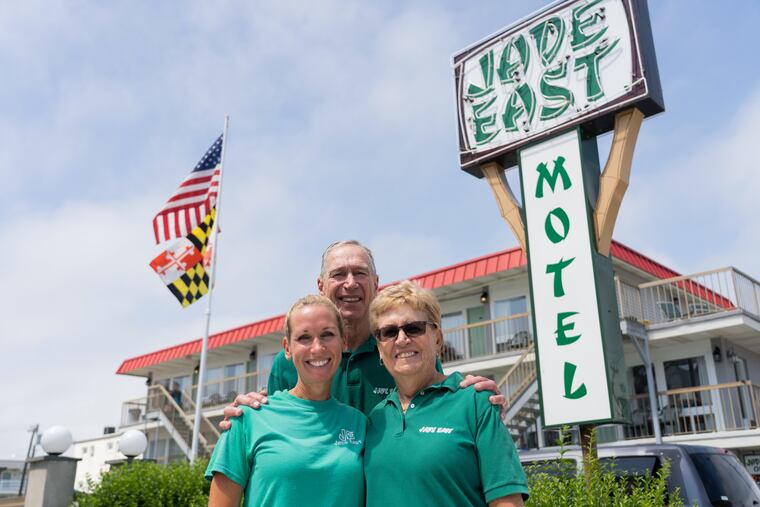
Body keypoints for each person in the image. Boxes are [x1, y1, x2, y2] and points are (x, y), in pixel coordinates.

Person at [221, 240, 504, 426]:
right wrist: (244, 419)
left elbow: (442, 410)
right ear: (321, 285)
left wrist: (478, 406)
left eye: (360, 273)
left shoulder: (403, 351)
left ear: (376, 283)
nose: (350, 283)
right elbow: (275, 429)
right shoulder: (290, 362)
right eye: (338, 274)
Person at [364, 280, 528, 507]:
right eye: (389, 332)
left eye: (414, 328)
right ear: (380, 349)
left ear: (438, 339)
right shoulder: (375, 420)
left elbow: (507, 502)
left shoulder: (476, 402)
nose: (401, 339)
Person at [206, 295, 366, 507]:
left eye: (327, 334)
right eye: (304, 338)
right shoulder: (248, 418)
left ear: (343, 341)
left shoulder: (360, 424)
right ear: (287, 348)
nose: (317, 348)